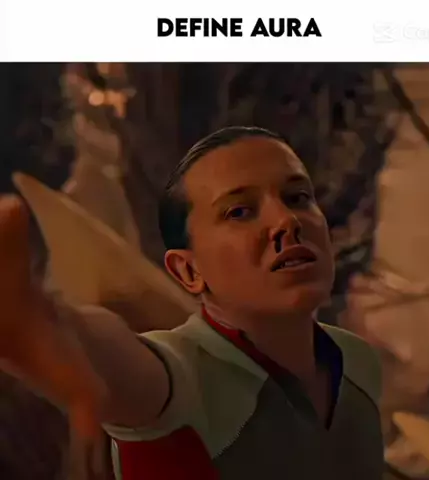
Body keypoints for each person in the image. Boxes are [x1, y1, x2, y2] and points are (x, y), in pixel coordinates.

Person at [0, 126, 384, 479]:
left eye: (297, 197)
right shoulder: (190, 379)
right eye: (239, 211)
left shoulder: (356, 361)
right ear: (188, 270)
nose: (286, 220)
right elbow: (129, 364)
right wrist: (53, 326)